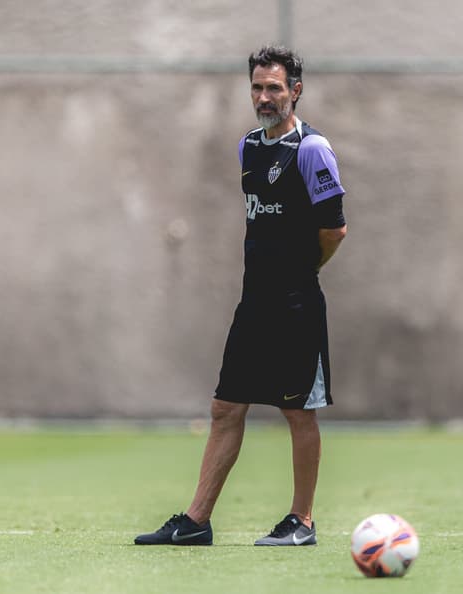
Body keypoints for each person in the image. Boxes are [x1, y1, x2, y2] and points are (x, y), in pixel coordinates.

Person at [134, 45, 347, 547]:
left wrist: (302, 271)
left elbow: (334, 230)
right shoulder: (248, 147)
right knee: (225, 408)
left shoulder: (313, 150)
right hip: (253, 304)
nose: (264, 96)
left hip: (296, 304)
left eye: (274, 88)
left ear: (296, 90)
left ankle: (303, 522)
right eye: (257, 87)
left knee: (298, 412)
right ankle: (196, 521)